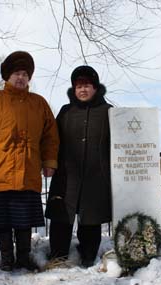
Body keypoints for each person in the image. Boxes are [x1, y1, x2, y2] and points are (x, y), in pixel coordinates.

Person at [0, 51, 59, 271]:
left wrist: (49, 161)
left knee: (24, 220)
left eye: (25, 74)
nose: (21, 78)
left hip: (28, 172)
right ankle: (7, 258)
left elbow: (50, 136)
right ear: (7, 76)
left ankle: (23, 257)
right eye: (16, 73)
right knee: (1, 220)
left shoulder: (39, 103)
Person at [45, 65, 112, 268]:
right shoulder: (66, 111)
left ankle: (88, 256)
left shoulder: (108, 112)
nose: (83, 90)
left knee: (91, 219)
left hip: (96, 175)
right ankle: (58, 256)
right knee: (61, 217)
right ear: (74, 89)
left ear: (95, 88)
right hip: (66, 176)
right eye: (79, 86)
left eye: (87, 86)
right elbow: (53, 139)